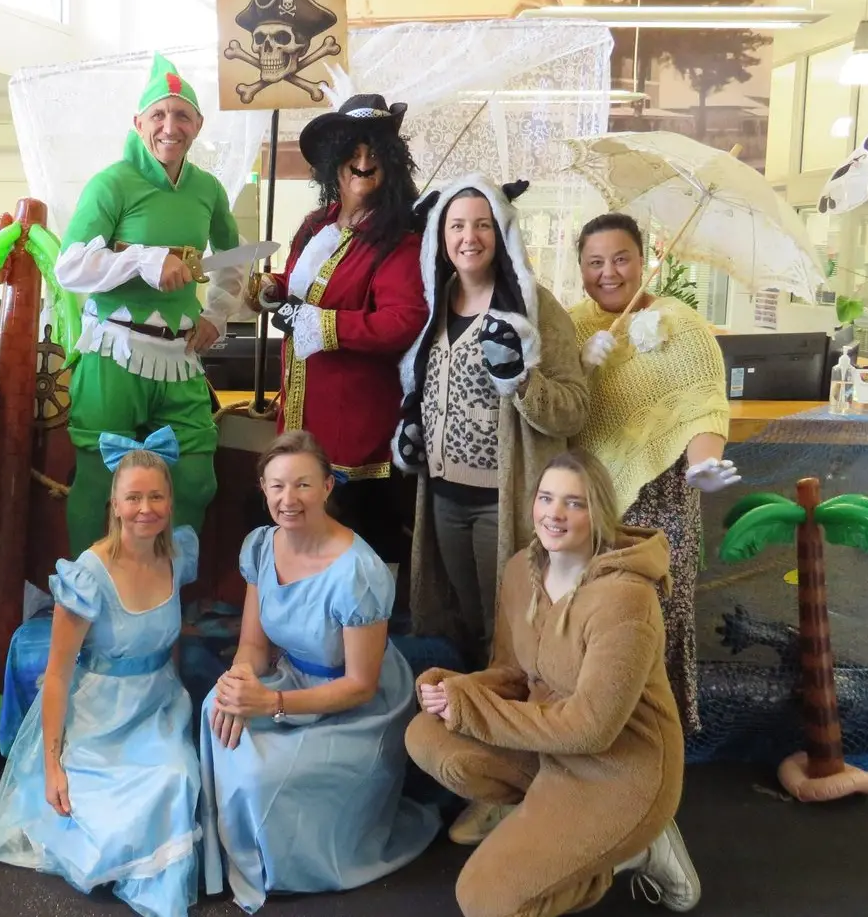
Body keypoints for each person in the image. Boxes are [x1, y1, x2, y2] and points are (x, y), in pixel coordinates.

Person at [406, 449, 701, 917]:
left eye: (574, 503)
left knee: (484, 901)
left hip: (619, 770)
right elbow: (512, 674)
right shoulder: (523, 569)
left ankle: (633, 851)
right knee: (426, 734)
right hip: (548, 748)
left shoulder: (625, 600)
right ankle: (542, 822)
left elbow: (591, 730)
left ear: (599, 512)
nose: (554, 514)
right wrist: (455, 691)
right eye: (546, 498)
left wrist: (472, 708)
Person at [0, 427, 201, 917]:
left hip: (158, 708)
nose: (145, 508)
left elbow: (167, 644)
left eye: (156, 496)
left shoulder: (178, 554)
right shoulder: (88, 575)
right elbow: (56, 675)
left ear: (169, 501)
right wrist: (52, 764)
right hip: (99, 716)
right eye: (132, 497)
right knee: (111, 819)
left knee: (174, 778)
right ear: (114, 505)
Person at [199, 430, 439, 914]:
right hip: (291, 678)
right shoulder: (261, 547)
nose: (289, 500)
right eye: (277, 486)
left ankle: (287, 864)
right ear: (264, 489)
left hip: (355, 705)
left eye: (303, 485)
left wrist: (270, 704)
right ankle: (236, 851)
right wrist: (241, 682)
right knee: (215, 708)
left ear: (328, 487)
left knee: (262, 776)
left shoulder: (358, 572)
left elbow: (360, 684)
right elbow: (252, 644)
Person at [53, 52, 250, 557]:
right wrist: (144, 260)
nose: (170, 126)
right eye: (158, 115)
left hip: (179, 357)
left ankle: (166, 593)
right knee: (99, 482)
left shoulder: (206, 189)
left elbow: (232, 257)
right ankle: (86, 599)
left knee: (196, 480)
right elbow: (70, 267)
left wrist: (215, 314)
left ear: (198, 125)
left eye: (182, 115)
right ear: (138, 122)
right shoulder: (112, 183)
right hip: (112, 353)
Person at [392, 175, 588, 679]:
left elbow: (574, 409)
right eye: (456, 225)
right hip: (440, 501)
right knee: (456, 621)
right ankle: (467, 719)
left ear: (502, 233)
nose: (468, 237)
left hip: (503, 504)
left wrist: (520, 380)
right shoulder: (434, 304)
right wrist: (412, 436)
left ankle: (513, 726)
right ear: (440, 235)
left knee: (508, 630)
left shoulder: (536, 308)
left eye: (482, 225)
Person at [571, 213, 737, 733]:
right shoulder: (571, 325)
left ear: (644, 262)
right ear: (580, 269)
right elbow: (550, 408)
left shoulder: (678, 322)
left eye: (621, 259)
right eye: (595, 262)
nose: (609, 273)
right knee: (599, 624)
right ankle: (596, 742)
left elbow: (704, 405)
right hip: (592, 504)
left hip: (666, 502)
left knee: (660, 622)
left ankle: (659, 749)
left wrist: (704, 464)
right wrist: (577, 362)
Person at [248, 93, 429, 563]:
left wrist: (322, 325)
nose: (363, 161)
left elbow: (401, 322)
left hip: (359, 434)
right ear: (334, 162)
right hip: (300, 416)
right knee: (296, 536)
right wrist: (272, 286)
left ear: (391, 162)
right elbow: (299, 287)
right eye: (352, 150)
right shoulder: (315, 226)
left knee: (363, 546)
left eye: (374, 152)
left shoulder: (400, 240)